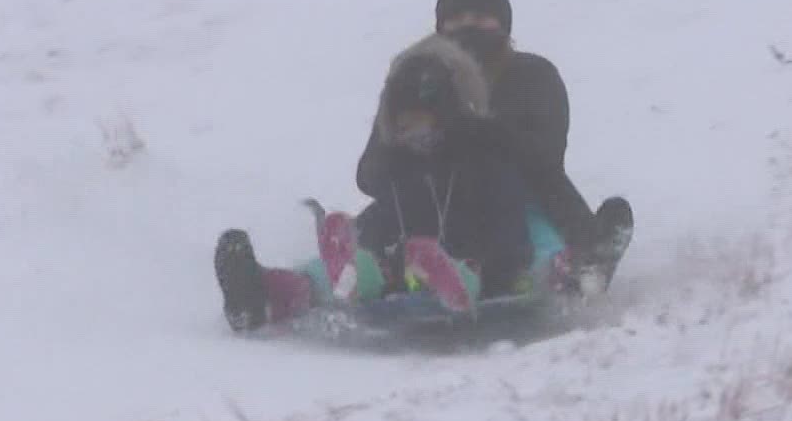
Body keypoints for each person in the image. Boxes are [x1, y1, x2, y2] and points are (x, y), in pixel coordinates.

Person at [214, 32, 549, 334]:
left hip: (481, 270)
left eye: (423, 127)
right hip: (408, 270)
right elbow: (385, 218)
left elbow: (511, 229)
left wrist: (502, 269)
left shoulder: (485, 162)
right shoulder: (404, 173)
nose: (415, 139)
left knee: (465, 269)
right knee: (362, 260)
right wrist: (365, 247)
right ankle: (273, 293)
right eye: (404, 130)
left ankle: (443, 279)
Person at [355, 0, 632, 290]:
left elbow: (546, 161)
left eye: (481, 15)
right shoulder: (418, 80)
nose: (469, 25)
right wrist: (408, 146)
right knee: (379, 225)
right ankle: (310, 282)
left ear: (502, 21)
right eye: (457, 17)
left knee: (530, 223)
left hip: (518, 206)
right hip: (427, 208)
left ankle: (562, 270)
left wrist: (482, 133)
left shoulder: (533, 76)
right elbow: (370, 174)